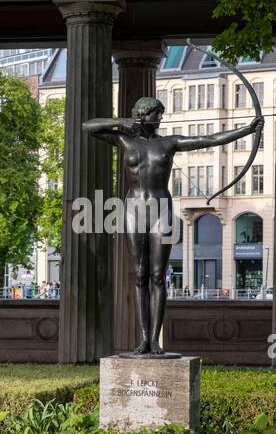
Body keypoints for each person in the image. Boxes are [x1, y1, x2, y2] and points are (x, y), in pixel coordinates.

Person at [83, 97, 263, 355]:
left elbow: (210, 140)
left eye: (160, 114)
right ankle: (143, 339)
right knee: (139, 274)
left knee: (158, 275)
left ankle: (155, 339)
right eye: (156, 114)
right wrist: (119, 122)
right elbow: (88, 126)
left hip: (161, 209)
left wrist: (247, 129)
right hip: (133, 209)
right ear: (142, 115)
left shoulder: (169, 142)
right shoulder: (124, 140)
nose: (160, 118)